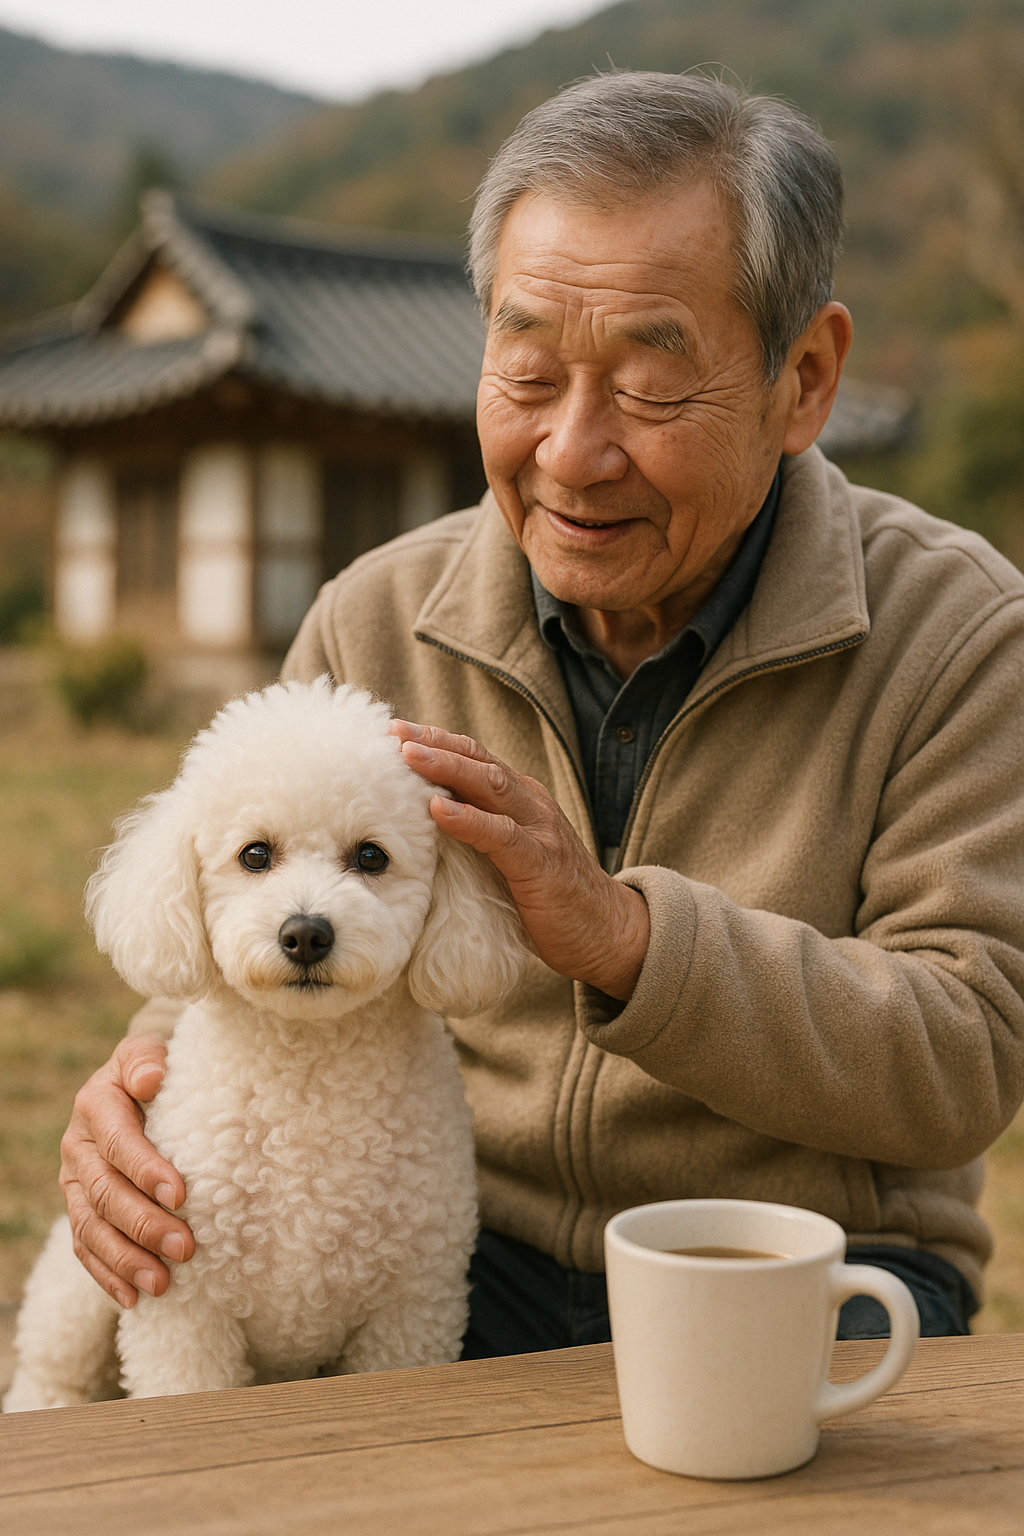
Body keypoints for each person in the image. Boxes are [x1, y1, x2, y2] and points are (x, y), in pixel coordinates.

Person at [59, 73, 1024, 1351]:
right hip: (459, 1247)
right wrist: (132, 1096)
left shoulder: (957, 631)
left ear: (805, 378)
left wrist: (627, 939)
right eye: (525, 368)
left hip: (803, 1265)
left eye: (648, 384)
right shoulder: (374, 615)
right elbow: (233, 927)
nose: (571, 450)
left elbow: (966, 1054)